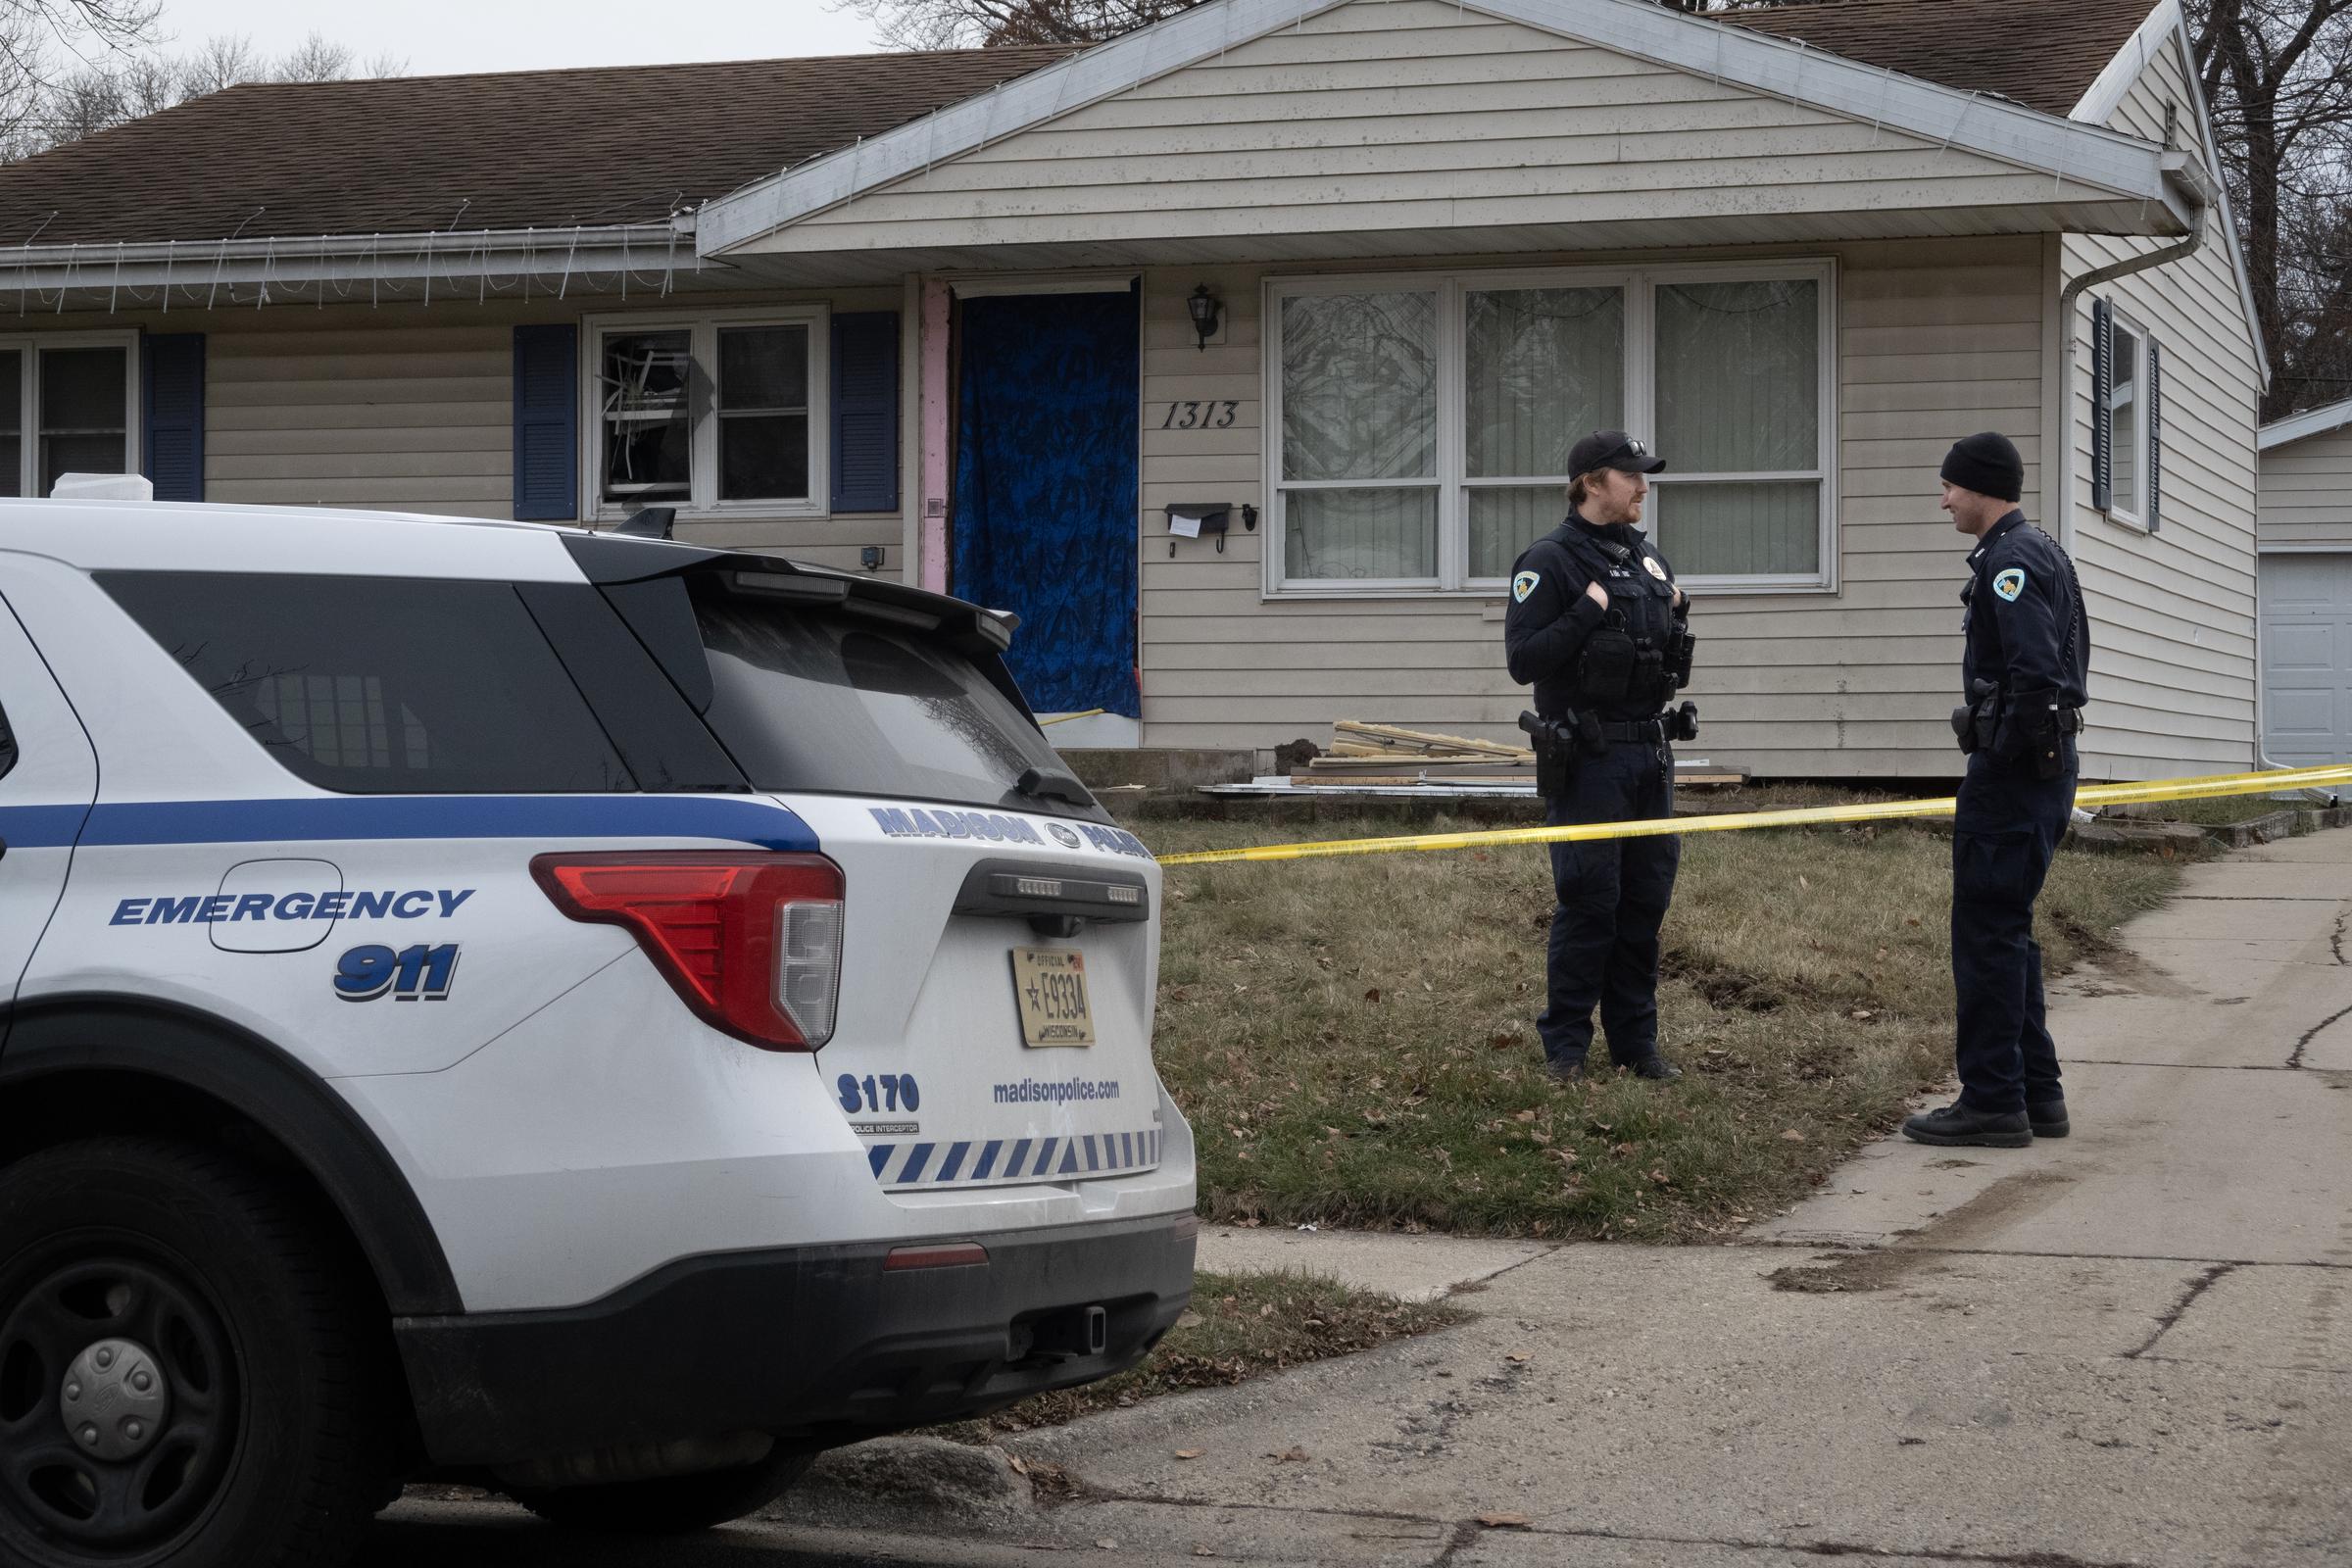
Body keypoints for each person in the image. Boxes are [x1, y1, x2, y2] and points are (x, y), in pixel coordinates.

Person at [1903, 431, 2090, 1149]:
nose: (1944, 497)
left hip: (2016, 777)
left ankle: (1990, 1101)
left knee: (1985, 937)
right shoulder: (2039, 549)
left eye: (1951, 485)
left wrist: (2002, 755)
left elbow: (2036, 676)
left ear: (1981, 488)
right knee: (2007, 933)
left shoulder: (2009, 562)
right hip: (2041, 768)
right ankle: (2036, 1096)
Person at [1504, 430, 1698, 1084]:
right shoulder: (1551, 560)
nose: (1643, 486)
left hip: (1649, 753)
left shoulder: (1648, 562)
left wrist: (1678, 605)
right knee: (1591, 902)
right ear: (1592, 482)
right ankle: (1565, 1047)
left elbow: (1666, 649)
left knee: (1644, 903)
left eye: (1644, 475)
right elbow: (1523, 659)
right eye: (1630, 475)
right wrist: (1587, 612)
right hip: (1588, 759)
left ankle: (1636, 1044)